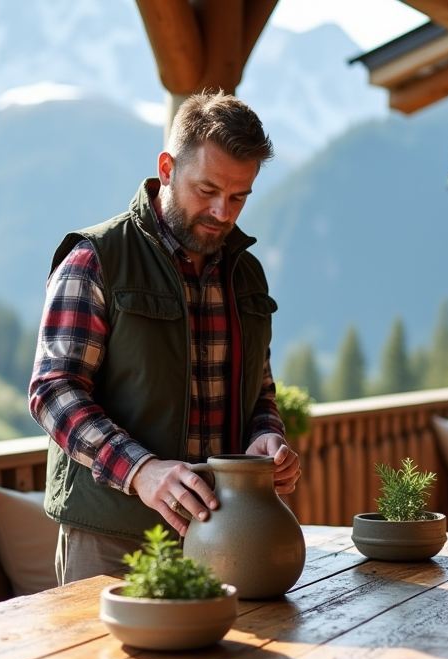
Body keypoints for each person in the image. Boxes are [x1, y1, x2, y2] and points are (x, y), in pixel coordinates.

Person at [29, 90, 300, 585]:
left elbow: (258, 388)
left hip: (227, 534)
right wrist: (142, 471)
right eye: (208, 189)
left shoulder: (246, 274)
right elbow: (53, 392)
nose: (223, 211)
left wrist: (267, 436)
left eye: (239, 196)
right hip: (114, 537)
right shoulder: (96, 259)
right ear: (168, 167)